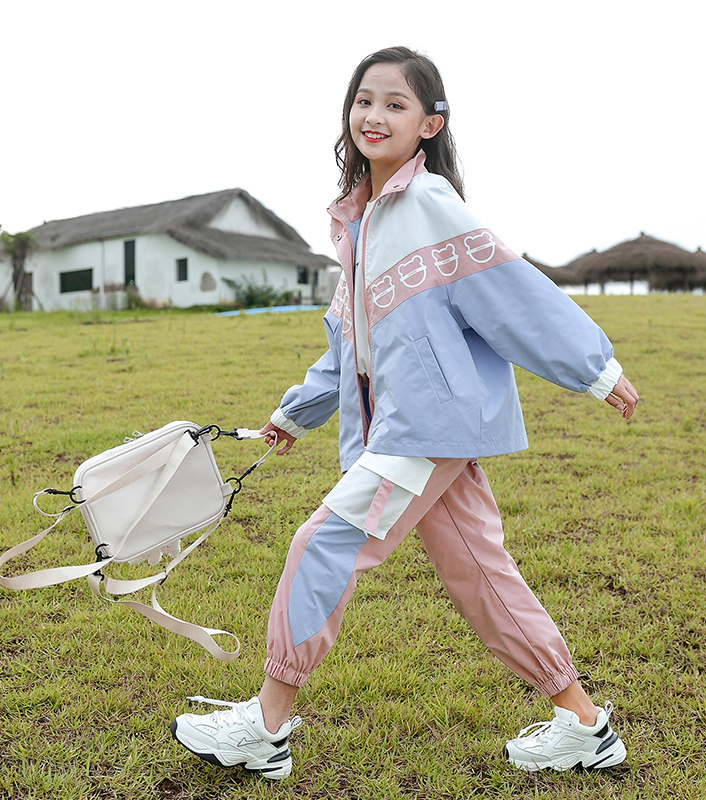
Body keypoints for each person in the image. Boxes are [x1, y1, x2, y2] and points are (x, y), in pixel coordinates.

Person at [170, 45, 639, 780]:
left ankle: (266, 724)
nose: (374, 115)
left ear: (430, 123)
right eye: (364, 100)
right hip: (411, 428)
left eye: (395, 103)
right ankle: (585, 725)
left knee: (322, 544)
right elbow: (348, 342)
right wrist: (296, 413)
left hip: (426, 427)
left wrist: (593, 368)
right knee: (481, 573)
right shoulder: (359, 223)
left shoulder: (428, 206)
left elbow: (511, 292)